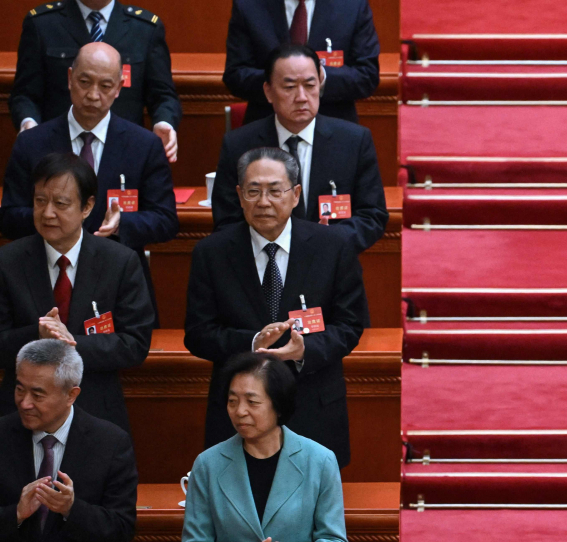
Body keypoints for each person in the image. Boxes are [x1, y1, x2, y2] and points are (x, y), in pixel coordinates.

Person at [185, 147, 369, 468]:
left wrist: (303, 351)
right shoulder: (211, 253)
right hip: (237, 415)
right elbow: (198, 333)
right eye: (253, 191)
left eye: (275, 190)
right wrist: (253, 343)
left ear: (295, 194)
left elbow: (350, 325)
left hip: (313, 407)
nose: (264, 201)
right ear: (240, 196)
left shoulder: (333, 247)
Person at [178, 351, 349, 542]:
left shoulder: (319, 461)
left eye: (252, 402)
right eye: (232, 401)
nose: (240, 411)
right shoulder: (208, 464)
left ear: (278, 406)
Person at [2, 42, 177, 325]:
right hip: (42, 279)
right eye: (84, 82)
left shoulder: (143, 145)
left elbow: (166, 220)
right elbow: (9, 217)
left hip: (115, 281)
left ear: (119, 88)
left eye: (106, 86)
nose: (93, 95)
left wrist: (122, 224)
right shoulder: (32, 143)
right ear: (70, 78)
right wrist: (55, 218)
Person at [0, 153, 154, 434]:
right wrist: (38, 336)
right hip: (21, 416)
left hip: (96, 410)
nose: (47, 213)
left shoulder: (120, 261)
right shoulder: (8, 262)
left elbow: (135, 343)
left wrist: (71, 344)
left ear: (87, 207)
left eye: (60, 203)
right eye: (40, 202)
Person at [0, 339, 137, 542]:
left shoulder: (110, 443)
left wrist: (73, 509)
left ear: (71, 394)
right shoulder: (2, 436)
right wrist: (16, 514)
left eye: (38, 394)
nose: (24, 402)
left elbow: (122, 529)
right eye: (20, 389)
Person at [211, 44, 387, 254]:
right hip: (263, 266)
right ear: (268, 92)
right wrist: (273, 244)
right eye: (289, 87)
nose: (302, 97)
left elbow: (372, 216)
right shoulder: (238, 145)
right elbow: (226, 220)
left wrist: (327, 241)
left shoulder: (354, 141)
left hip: (331, 265)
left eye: (310, 85)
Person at [10, 0, 180, 163]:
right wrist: (29, 122)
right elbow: (25, 94)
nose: (93, 96)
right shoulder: (43, 24)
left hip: (124, 152)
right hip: (56, 154)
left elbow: (163, 95)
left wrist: (163, 122)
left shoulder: (145, 28)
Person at [223, 0, 380, 125]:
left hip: (335, 131)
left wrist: (318, 78)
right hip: (266, 133)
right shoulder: (248, 5)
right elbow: (235, 74)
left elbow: (368, 75)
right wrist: (279, 82)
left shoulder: (352, 5)